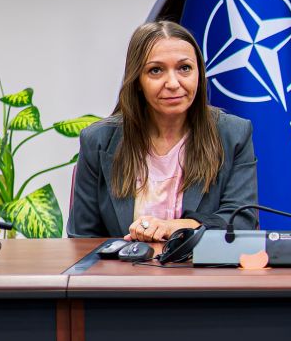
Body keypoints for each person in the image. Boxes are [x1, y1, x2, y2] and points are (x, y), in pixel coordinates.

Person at [69, 20, 257, 240]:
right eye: (156, 70)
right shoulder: (98, 140)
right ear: (137, 80)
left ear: (199, 74)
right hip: (121, 263)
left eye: (184, 68)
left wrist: (177, 227)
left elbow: (241, 223)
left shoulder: (233, 134)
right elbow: (82, 239)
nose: (173, 83)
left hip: (202, 263)